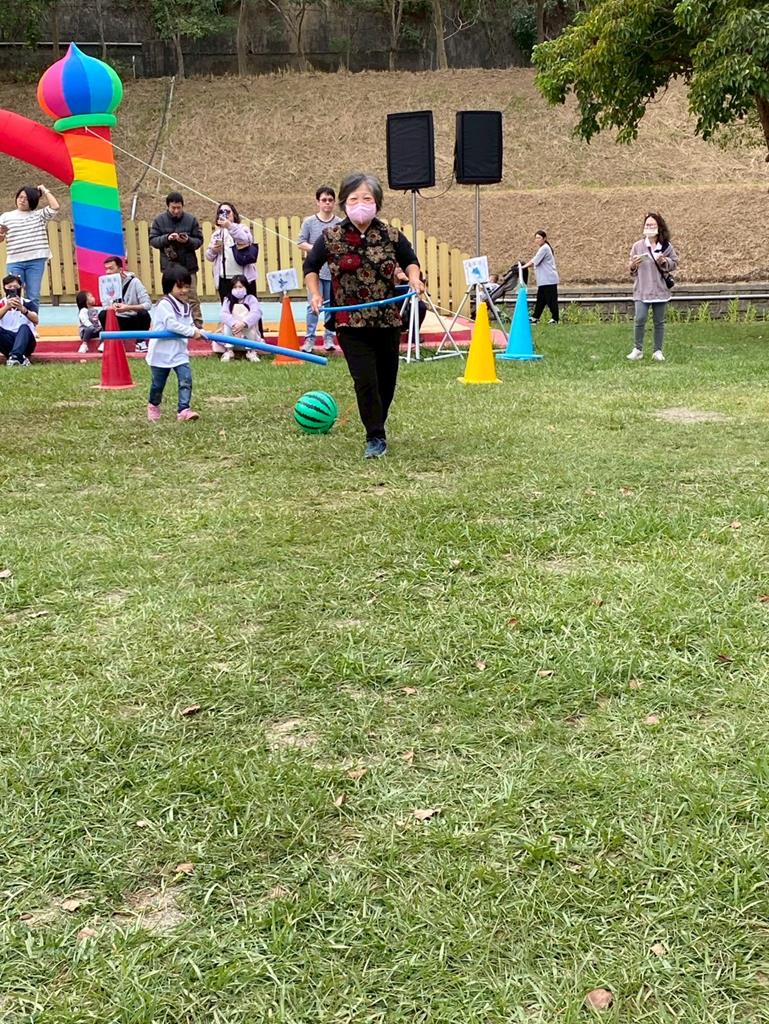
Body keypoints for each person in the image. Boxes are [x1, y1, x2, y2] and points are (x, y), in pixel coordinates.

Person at [304, 171, 423, 459]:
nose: (360, 204)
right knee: (365, 380)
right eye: (354, 198)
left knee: (386, 380)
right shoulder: (331, 236)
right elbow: (310, 266)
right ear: (344, 202)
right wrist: (316, 294)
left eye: (367, 198)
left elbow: (410, 260)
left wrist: (414, 278)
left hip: (386, 319)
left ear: (377, 203)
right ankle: (375, 435)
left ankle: (377, 421)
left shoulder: (390, 235)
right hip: (350, 322)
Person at [146, 266, 206, 423]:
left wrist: (199, 332)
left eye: (186, 286)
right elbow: (171, 325)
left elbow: (190, 324)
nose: (184, 290)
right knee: (158, 384)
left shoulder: (186, 306)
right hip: (161, 353)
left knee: (186, 379)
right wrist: (191, 332)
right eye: (179, 287)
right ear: (169, 285)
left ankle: (183, 410)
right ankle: (153, 405)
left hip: (179, 351)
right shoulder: (164, 304)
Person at [627, 212, 679, 362]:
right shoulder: (638, 246)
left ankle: (657, 351)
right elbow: (631, 269)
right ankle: (638, 349)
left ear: (659, 227)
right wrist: (633, 265)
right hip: (642, 289)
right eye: (647, 224)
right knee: (640, 318)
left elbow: (674, 263)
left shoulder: (666, 246)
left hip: (659, 289)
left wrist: (664, 261)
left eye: (652, 224)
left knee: (659, 321)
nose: (649, 227)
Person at [149, 192, 204, 329]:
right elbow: (153, 240)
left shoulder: (191, 220)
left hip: (188, 266)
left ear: (182, 206)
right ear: (168, 206)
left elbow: (199, 241)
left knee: (192, 297)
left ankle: (197, 326)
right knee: (170, 297)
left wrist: (188, 240)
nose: (176, 211)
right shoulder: (159, 221)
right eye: (173, 208)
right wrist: (167, 238)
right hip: (169, 267)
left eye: (179, 208)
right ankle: (171, 324)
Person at [298, 185, 342, 353]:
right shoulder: (309, 222)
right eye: (324, 200)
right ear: (318, 202)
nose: (327, 203)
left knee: (331, 305)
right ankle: (309, 339)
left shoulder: (339, 223)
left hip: (333, 272)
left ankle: (329, 337)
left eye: (330, 200)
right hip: (315, 272)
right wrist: (317, 250)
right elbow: (301, 242)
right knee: (313, 306)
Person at [0, 184, 59, 309]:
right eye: (20, 197)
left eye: (26, 199)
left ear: (32, 201)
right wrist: (1, 233)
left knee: (33, 295)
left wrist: (45, 190)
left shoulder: (39, 215)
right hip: (15, 260)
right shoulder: (6, 217)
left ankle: (32, 320)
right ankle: (13, 320)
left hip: (36, 260)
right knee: (13, 293)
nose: (22, 200)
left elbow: (55, 207)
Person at [205, 201, 259, 302]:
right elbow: (208, 256)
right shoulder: (217, 234)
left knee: (248, 307)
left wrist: (229, 226)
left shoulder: (242, 228)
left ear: (234, 214)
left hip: (243, 277)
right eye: (221, 212)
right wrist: (214, 250)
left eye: (228, 211)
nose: (225, 214)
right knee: (228, 307)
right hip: (224, 278)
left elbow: (245, 240)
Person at [97, 256, 152, 351]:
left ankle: (140, 342)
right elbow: (105, 306)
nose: (108, 272)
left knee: (144, 314)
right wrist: (112, 307)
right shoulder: (106, 284)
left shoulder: (134, 282)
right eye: (106, 269)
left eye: (111, 268)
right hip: (117, 320)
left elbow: (148, 304)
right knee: (103, 314)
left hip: (133, 320)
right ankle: (108, 340)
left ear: (120, 269)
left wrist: (128, 307)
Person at [214, 274, 262, 362]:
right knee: (226, 326)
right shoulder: (228, 300)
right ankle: (229, 350)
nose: (238, 289)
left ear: (246, 287)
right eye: (235, 287)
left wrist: (244, 323)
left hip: (248, 335)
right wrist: (234, 324)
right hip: (233, 334)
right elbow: (223, 314)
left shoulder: (251, 299)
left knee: (250, 327)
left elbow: (256, 313)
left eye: (240, 287)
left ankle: (250, 351)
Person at [521, 230, 559, 324]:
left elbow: (535, 260)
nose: (537, 240)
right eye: (536, 238)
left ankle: (555, 318)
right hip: (543, 280)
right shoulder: (543, 248)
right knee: (541, 300)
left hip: (549, 279)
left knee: (551, 300)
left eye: (539, 238)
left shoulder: (545, 248)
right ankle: (535, 317)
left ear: (544, 238)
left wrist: (523, 267)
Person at [0, 274, 38, 367]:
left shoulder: (28, 303)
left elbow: (36, 320)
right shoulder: (1, 303)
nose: (13, 289)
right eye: (9, 287)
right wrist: (6, 307)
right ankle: (16, 357)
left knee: (24, 327)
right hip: (8, 341)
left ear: (21, 287)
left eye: (15, 287)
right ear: (4, 288)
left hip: (26, 341)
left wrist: (23, 309)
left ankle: (15, 356)